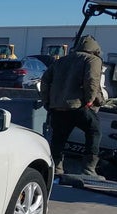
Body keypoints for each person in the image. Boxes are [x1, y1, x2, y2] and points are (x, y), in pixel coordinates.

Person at [40, 35, 106, 177]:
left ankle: (56, 169)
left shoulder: (61, 61)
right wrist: (90, 100)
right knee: (94, 131)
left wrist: (47, 102)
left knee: (59, 138)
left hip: (58, 108)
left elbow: (44, 81)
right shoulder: (93, 60)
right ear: (95, 48)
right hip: (78, 106)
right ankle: (89, 169)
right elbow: (92, 80)